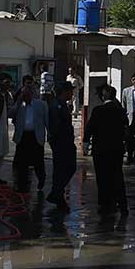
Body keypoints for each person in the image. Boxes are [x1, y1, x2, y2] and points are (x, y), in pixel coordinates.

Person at [84, 85, 129, 215]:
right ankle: (122, 204)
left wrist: (86, 143)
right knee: (117, 176)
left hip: (101, 149)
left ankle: (105, 204)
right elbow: (126, 127)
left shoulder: (98, 110)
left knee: (102, 177)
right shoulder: (119, 110)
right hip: (116, 149)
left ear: (103, 97)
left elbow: (89, 128)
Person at [12, 83, 49, 193]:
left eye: (27, 95)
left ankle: (41, 179)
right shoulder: (19, 105)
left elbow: (47, 121)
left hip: (35, 136)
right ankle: (22, 185)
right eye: (23, 95)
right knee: (22, 163)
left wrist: (50, 134)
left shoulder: (41, 105)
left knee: (38, 162)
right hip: (23, 136)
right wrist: (18, 103)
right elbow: (10, 114)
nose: (25, 97)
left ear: (32, 95)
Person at [47, 81, 77, 210]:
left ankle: (57, 193)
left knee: (68, 168)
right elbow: (56, 127)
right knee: (62, 169)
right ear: (64, 91)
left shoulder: (63, 105)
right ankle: (57, 194)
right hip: (61, 143)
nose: (72, 93)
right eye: (70, 91)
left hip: (66, 142)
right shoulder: (56, 106)